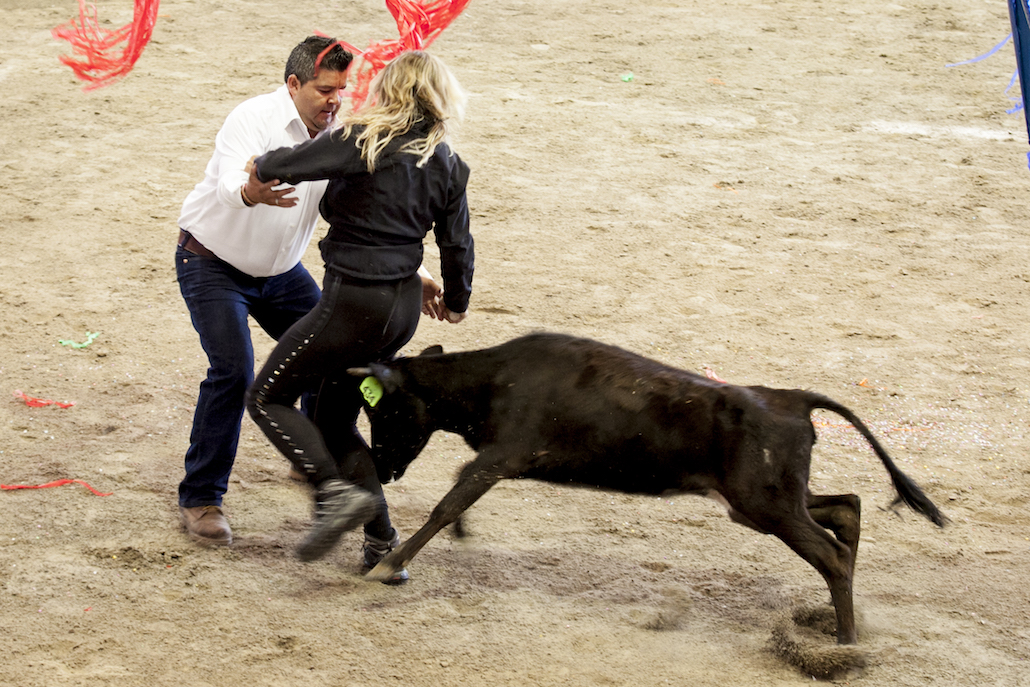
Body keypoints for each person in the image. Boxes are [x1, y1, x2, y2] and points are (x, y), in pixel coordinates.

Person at [176, 36, 446, 549]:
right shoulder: (251, 118)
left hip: (280, 273)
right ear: (294, 84)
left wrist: (416, 269)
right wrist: (250, 189)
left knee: (333, 354)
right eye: (325, 89)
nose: (335, 100)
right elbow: (230, 180)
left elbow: (367, 217)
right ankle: (202, 496)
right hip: (212, 265)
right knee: (233, 371)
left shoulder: (339, 136)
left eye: (342, 90)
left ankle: (313, 456)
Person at [244, 50, 474, 575]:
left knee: (266, 397)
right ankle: (383, 543)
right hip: (401, 310)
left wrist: (259, 166)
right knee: (332, 419)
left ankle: (332, 493)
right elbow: (458, 244)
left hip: (353, 303)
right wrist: (456, 303)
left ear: (388, 91)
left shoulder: (363, 140)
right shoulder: (448, 162)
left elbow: (285, 165)